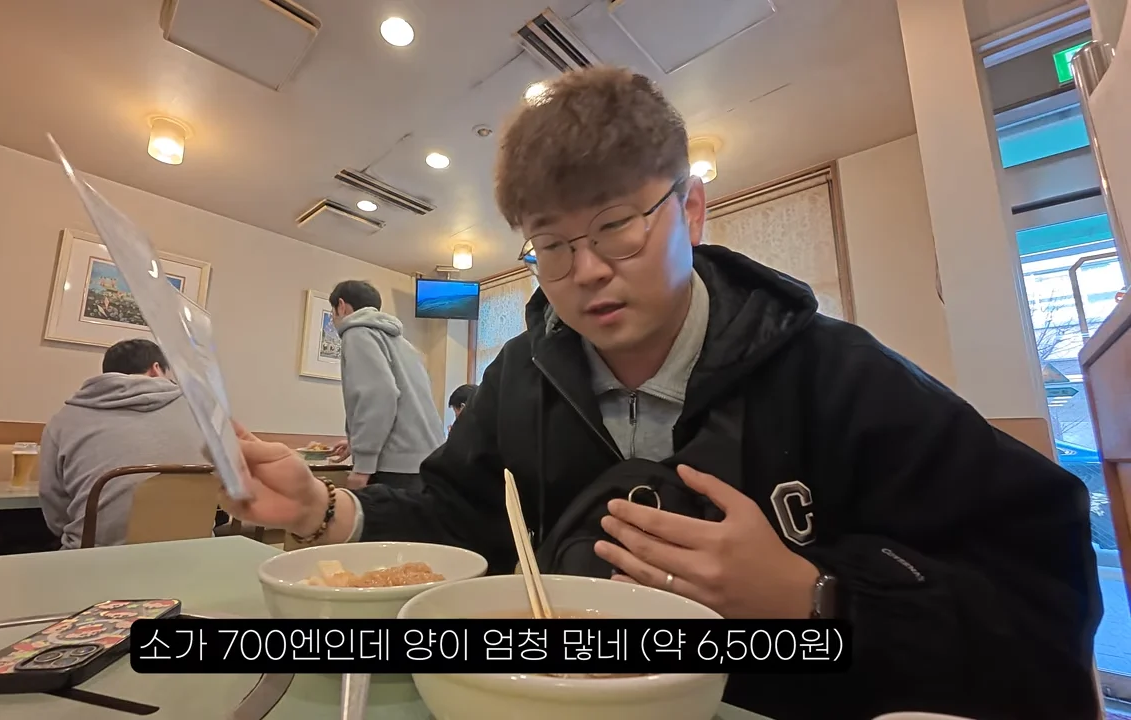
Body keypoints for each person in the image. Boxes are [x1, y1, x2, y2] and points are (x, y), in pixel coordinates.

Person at [224, 67, 1100, 719]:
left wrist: (813, 596)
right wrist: (323, 511)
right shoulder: (521, 378)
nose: (586, 271)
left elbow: (1042, 593)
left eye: (616, 226)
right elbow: (457, 519)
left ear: (691, 209)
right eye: (550, 245)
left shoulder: (834, 373)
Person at [39, 339, 209, 549]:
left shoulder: (64, 420)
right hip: (195, 552)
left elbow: (54, 508)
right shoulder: (202, 414)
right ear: (156, 369)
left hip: (93, 558)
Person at [326, 280, 444, 491]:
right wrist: (356, 443)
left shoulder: (356, 333)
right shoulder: (403, 343)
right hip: (427, 461)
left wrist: (363, 465)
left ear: (341, 306)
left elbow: (379, 395)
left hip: (395, 467)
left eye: (332, 312)